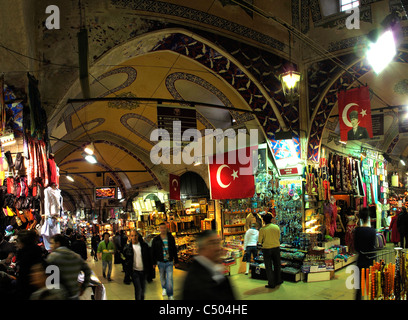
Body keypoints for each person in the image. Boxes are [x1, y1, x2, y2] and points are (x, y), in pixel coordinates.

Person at [182, 230, 235, 300]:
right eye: (212, 244)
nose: (218, 248)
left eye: (218, 243)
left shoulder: (214, 270)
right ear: (202, 249)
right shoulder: (196, 281)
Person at [46, 234, 91, 300]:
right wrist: (83, 287)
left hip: (58, 296)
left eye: (52, 243)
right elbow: (88, 271)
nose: (50, 246)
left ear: (57, 244)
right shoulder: (76, 256)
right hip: (74, 294)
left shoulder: (52, 257)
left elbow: (49, 280)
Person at [354, 207, 377, 300]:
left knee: (359, 286)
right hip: (370, 260)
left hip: (361, 260)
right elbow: (373, 246)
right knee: (372, 285)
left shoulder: (357, 231)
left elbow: (356, 247)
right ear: (368, 218)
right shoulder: (372, 231)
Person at [122, 229, 153, 300]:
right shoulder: (128, 247)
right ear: (130, 237)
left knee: (142, 289)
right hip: (134, 272)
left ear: (138, 236)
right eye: (132, 236)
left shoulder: (144, 246)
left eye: (135, 235)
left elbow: (149, 258)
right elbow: (125, 259)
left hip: (143, 271)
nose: (134, 237)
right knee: (138, 288)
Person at [14, 229, 44, 299]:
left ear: (22, 242)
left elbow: (22, 278)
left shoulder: (24, 255)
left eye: (17, 241)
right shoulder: (37, 252)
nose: (16, 244)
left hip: (27, 290)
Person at [151, 222, 178, 300]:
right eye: (161, 228)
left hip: (169, 262)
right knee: (162, 277)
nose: (163, 229)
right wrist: (153, 262)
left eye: (164, 228)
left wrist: (176, 261)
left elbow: (174, 249)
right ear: (159, 229)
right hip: (160, 262)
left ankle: (170, 294)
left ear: (167, 228)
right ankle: (164, 288)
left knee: (169, 278)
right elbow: (153, 251)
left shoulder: (170, 238)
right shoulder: (156, 239)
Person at [258, 213, 282, 289]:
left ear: (264, 220)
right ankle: (278, 280)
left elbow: (260, 241)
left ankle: (271, 283)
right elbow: (278, 237)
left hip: (267, 249)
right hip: (276, 248)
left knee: (268, 267)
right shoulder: (276, 227)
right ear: (271, 219)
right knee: (277, 265)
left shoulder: (262, 229)